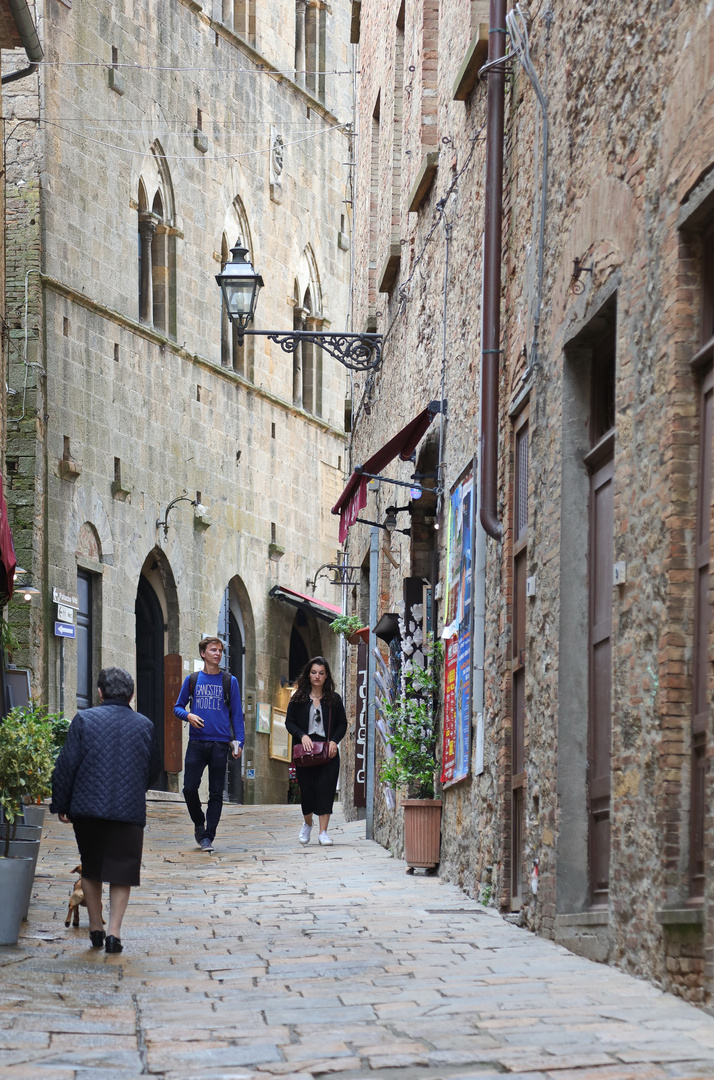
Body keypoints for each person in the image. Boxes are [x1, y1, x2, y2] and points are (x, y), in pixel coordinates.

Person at [50, 667, 160, 955]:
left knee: (92, 865)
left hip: (87, 809)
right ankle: (114, 933)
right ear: (132, 695)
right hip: (129, 811)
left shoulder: (84, 719)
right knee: (123, 870)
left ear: (99, 692)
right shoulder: (145, 725)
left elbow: (66, 765)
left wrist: (61, 802)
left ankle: (95, 927)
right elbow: (153, 770)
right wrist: (135, 787)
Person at [174, 636, 244, 852]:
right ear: (203, 653)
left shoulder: (229, 681)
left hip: (219, 745)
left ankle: (208, 837)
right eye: (213, 650)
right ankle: (198, 821)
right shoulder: (193, 680)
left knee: (216, 792)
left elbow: (237, 715)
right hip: (196, 742)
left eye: (221, 650)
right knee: (188, 788)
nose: (218, 654)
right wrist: (188, 716)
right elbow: (177, 707)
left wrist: (239, 742)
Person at [285, 656, 347, 847]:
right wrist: (302, 735)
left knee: (326, 790)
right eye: (314, 673)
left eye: (321, 673)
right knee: (308, 791)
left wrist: (335, 741)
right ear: (308, 674)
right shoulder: (298, 698)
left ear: (326, 675)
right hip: (306, 750)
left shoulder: (333, 699)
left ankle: (323, 832)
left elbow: (342, 724)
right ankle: (307, 823)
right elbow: (289, 722)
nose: (317, 676)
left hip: (327, 751)